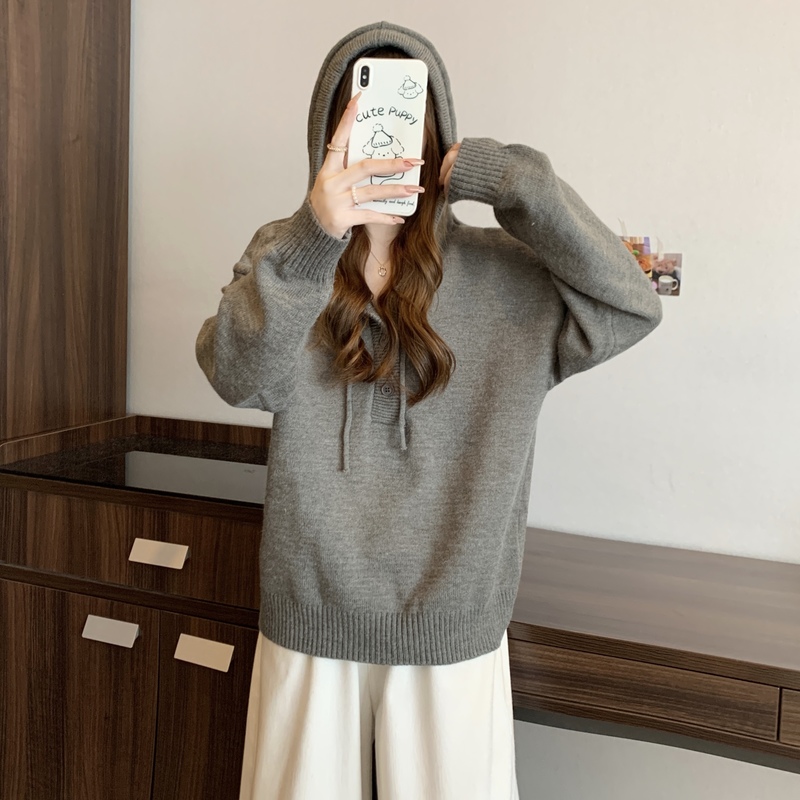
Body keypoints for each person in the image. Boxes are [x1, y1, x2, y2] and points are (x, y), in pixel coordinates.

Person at [195, 20, 663, 800]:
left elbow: (632, 305)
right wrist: (316, 233)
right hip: (311, 614)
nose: (385, 130)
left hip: (452, 625)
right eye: (363, 110)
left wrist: (516, 182)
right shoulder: (286, 251)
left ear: (435, 127)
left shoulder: (508, 276)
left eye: (405, 109)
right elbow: (234, 377)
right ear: (328, 133)